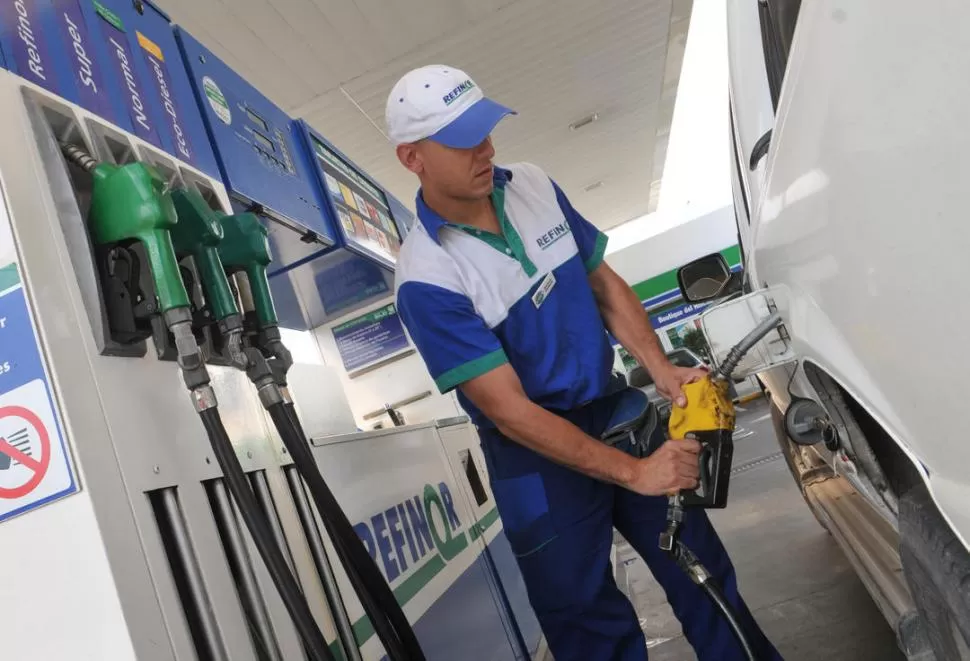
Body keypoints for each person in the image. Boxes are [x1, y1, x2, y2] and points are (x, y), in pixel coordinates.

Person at [386, 65, 782, 661]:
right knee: (588, 626)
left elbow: (604, 285)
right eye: (461, 140)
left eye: (486, 131)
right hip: (534, 458)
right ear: (412, 158)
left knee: (703, 574)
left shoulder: (534, 186)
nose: (485, 149)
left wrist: (662, 368)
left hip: (616, 411)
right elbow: (511, 413)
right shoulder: (426, 278)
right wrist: (635, 474)